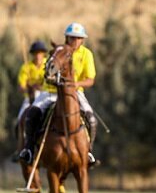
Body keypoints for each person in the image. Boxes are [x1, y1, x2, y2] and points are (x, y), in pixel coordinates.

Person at [19, 22, 99, 167]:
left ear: (82, 40)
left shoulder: (87, 54)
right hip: (51, 92)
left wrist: (76, 84)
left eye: (78, 38)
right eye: (71, 38)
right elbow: (47, 72)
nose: (74, 41)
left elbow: (90, 80)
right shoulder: (58, 51)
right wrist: (50, 77)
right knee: (32, 112)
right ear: (66, 38)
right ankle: (29, 149)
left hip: (75, 93)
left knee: (91, 118)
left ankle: (88, 152)